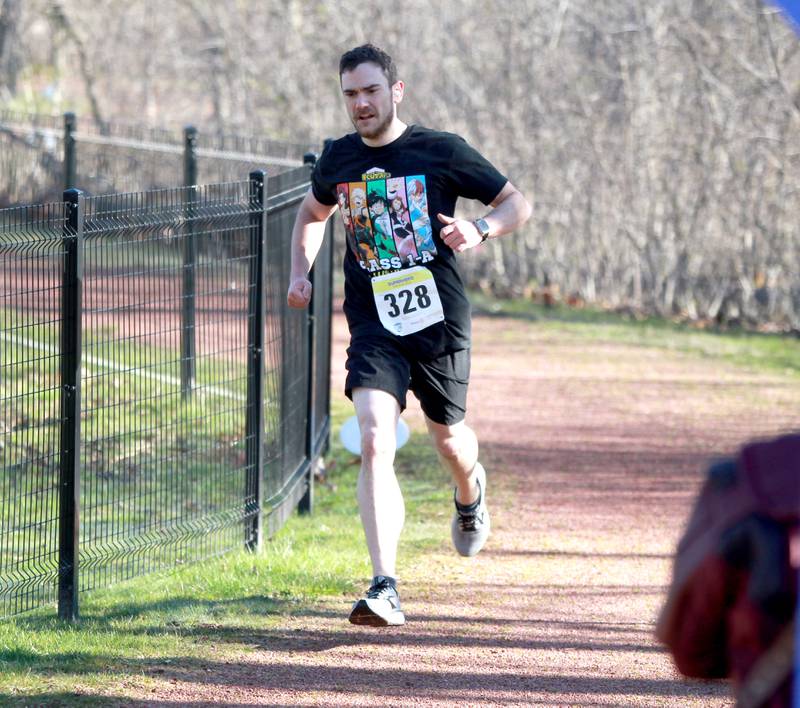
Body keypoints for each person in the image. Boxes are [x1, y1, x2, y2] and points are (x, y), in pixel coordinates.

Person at [287, 43, 532, 627]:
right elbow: (312, 215)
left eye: (370, 90)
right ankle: (384, 585)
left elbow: (516, 202)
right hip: (374, 324)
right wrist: (302, 270)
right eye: (350, 94)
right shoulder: (339, 160)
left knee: (448, 437)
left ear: (396, 91)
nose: (360, 103)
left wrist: (480, 229)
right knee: (375, 435)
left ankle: (470, 491)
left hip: (437, 318)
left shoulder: (440, 150)